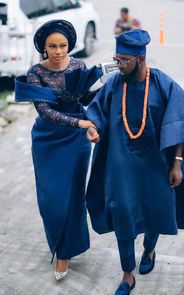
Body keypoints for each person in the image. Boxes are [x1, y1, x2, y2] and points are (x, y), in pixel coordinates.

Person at [85, 29, 184, 294]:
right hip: (120, 166)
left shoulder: (163, 85)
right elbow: (97, 112)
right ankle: (127, 275)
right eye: (116, 58)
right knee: (122, 215)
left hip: (155, 165)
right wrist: (93, 128)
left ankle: (149, 250)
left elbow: (181, 124)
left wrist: (177, 163)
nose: (119, 65)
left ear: (141, 58)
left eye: (124, 60)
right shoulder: (113, 85)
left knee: (154, 210)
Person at [14, 20, 101, 281]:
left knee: (73, 198)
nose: (59, 51)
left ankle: (64, 252)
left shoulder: (79, 65)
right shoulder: (35, 72)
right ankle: (60, 244)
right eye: (52, 46)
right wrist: (81, 121)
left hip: (77, 142)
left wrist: (106, 94)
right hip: (48, 141)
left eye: (63, 45)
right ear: (43, 47)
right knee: (52, 200)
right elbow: (45, 111)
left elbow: (86, 98)